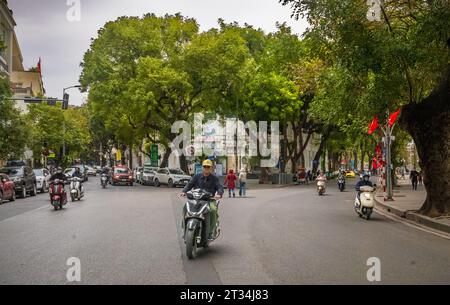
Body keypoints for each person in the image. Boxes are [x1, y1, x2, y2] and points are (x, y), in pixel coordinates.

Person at [180, 160, 224, 239]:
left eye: (208, 167)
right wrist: (184, 191)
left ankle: (210, 231)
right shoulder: (196, 176)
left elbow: (219, 187)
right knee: (186, 207)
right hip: (196, 199)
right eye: (205, 167)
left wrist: (219, 194)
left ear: (211, 168)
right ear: (202, 167)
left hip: (209, 200)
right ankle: (185, 229)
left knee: (213, 210)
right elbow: (189, 184)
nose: (206, 168)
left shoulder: (214, 178)